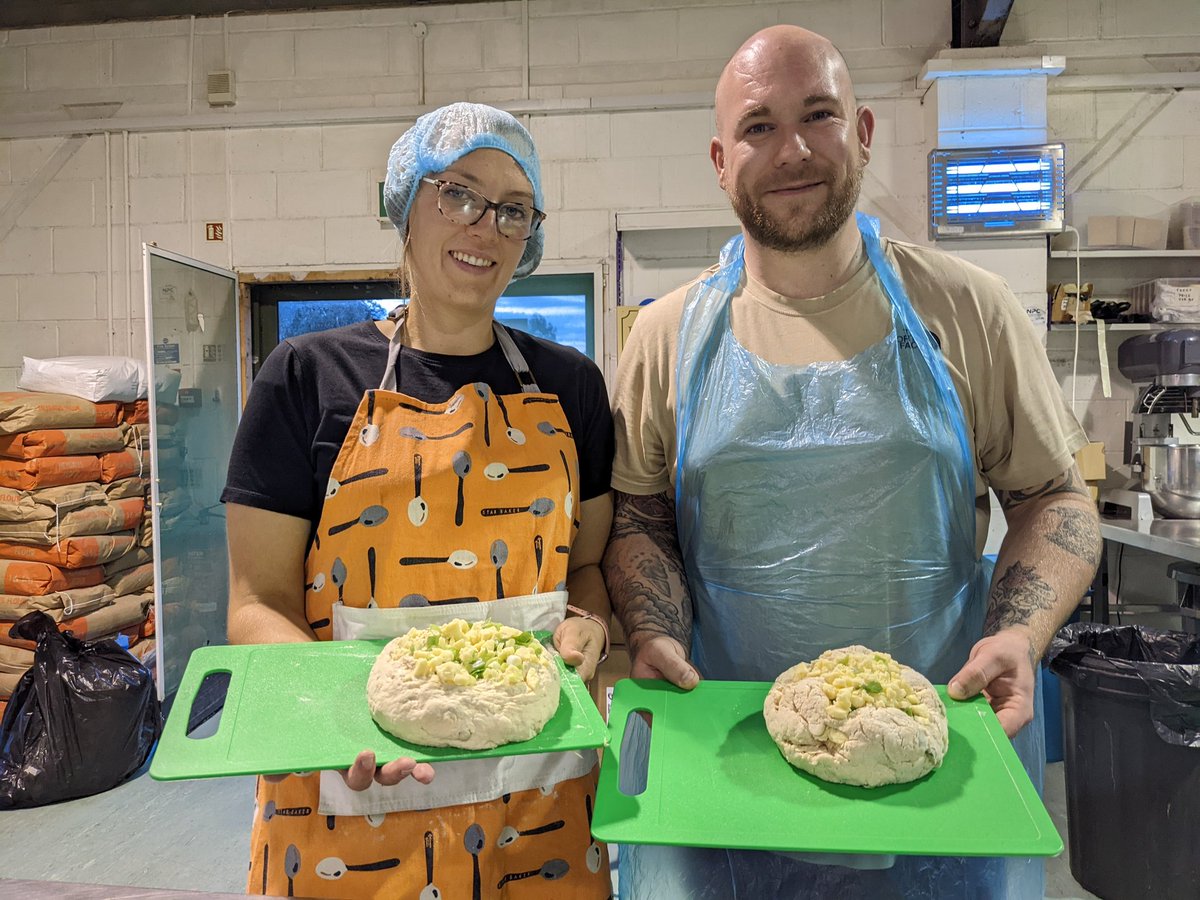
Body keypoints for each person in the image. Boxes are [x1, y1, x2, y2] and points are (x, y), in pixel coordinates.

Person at [603, 25, 1102, 899]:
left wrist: (1018, 635)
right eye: (758, 127)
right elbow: (639, 518)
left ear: (863, 133)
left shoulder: (968, 310)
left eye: (818, 115)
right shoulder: (666, 336)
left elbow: (1054, 499)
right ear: (720, 160)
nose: (792, 149)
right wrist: (652, 631)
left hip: (937, 760)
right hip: (724, 762)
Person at [221, 102, 615, 898]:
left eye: (513, 210)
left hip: (539, 803)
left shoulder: (571, 386)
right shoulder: (305, 377)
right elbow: (257, 603)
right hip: (347, 792)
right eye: (458, 194)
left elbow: (588, 568)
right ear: (405, 205)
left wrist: (592, 625)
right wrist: (339, 718)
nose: (485, 227)